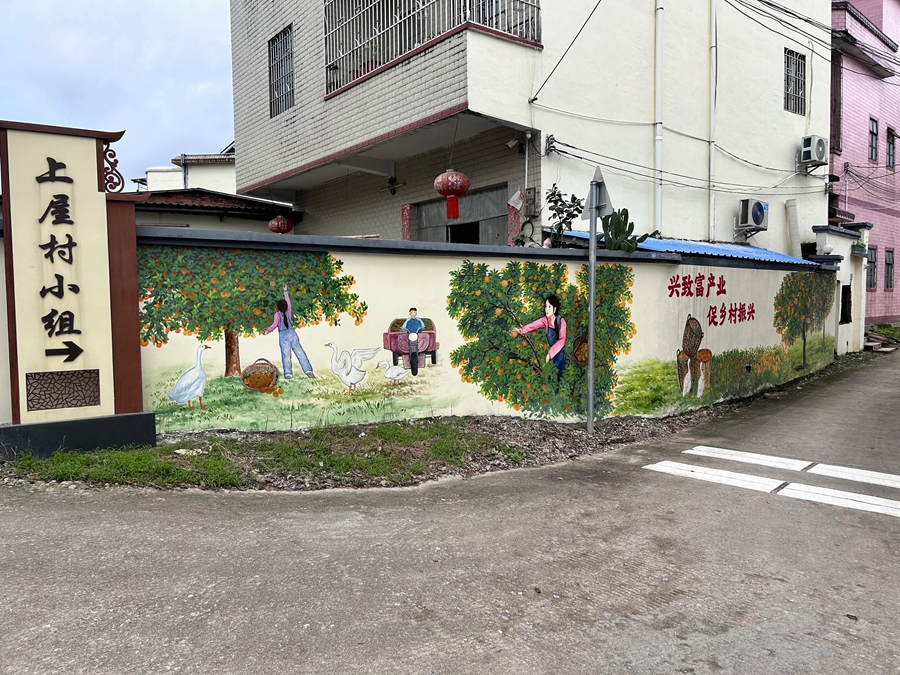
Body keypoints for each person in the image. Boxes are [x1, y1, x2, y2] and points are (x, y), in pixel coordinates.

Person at [262, 284, 315, 380]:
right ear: (286, 306)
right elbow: (289, 303)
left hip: (283, 336)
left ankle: (288, 374)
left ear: (278, 307)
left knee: (286, 355)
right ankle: (309, 371)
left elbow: (274, 325)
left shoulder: (277, 315)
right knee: (300, 352)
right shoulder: (288, 311)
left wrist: (267, 331)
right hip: (292, 334)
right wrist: (285, 291)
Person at [513, 294, 567, 377]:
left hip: (561, 355)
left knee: (559, 377)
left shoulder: (561, 321)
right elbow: (533, 325)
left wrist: (550, 354)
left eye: (549, 306)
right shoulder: (546, 320)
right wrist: (521, 330)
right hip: (552, 357)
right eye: (546, 306)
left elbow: (562, 340)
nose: (546, 309)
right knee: (551, 377)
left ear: (555, 309)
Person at [400, 307, 425, 376]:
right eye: (411, 313)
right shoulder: (408, 320)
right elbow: (403, 327)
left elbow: (423, 326)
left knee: (422, 344)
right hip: (410, 336)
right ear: (409, 314)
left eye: (414, 313)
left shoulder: (419, 320)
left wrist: (422, 328)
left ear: (416, 313)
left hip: (417, 336)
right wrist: (403, 329)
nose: (413, 314)